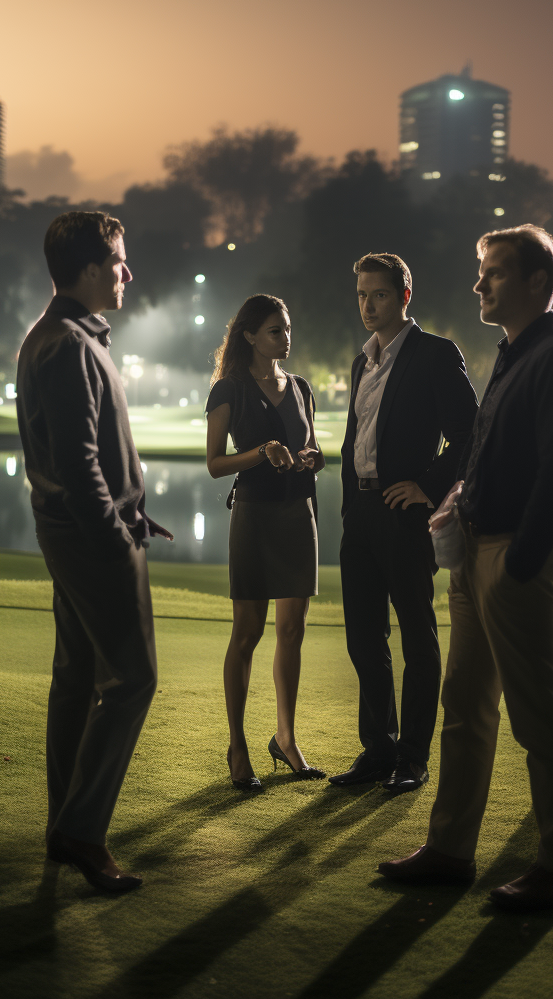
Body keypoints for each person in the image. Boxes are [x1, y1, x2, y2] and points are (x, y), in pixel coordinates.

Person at [379, 225, 553, 912]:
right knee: (464, 706)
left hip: (513, 557)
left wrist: (521, 563)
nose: (479, 285)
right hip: (475, 549)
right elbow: (486, 455)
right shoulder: (511, 354)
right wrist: (455, 500)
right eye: (481, 274)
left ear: (538, 281)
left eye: (494, 274)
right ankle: (450, 849)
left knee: (537, 715)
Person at [16, 211, 173, 893]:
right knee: (132, 678)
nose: (127, 273)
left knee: (78, 678)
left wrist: (136, 511)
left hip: (81, 530)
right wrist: (116, 535)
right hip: (90, 538)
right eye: (117, 262)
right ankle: (81, 831)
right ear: (86, 271)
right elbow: (78, 465)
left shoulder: (65, 336)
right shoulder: (68, 345)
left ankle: (65, 827)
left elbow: (89, 456)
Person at [329, 253, 478, 794]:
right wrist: (349, 508)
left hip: (404, 514)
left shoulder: (434, 354)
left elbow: (469, 434)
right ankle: (378, 750)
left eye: (380, 295)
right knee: (364, 640)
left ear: (404, 297)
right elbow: (355, 443)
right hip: (361, 517)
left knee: (417, 637)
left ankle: (412, 757)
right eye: (362, 295)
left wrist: (429, 487)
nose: (369, 305)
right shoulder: (361, 361)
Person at [205, 294, 327, 789]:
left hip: (299, 513)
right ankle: (237, 746)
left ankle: (286, 738)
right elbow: (214, 464)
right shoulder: (228, 389)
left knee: (292, 630)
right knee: (248, 632)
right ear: (250, 336)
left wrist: (313, 458)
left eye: (288, 329)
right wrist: (261, 452)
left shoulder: (299, 387)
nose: (286, 338)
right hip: (254, 516)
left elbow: (312, 445)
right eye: (276, 330)